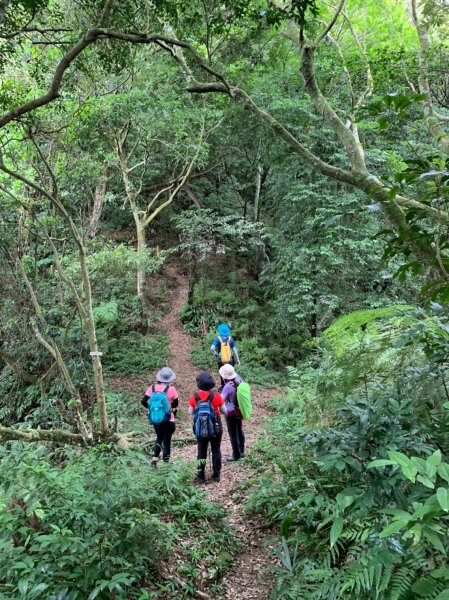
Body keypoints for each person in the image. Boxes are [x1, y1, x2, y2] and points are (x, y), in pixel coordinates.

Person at [188, 371, 226, 484]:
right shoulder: (216, 395)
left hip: (200, 427)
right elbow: (225, 411)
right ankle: (216, 475)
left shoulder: (194, 397)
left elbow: (190, 412)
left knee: (201, 450)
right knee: (216, 450)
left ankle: (200, 476)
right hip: (215, 426)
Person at [141, 367, 179, 465]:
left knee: (159, 437)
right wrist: (172, 412)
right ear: (170, 379)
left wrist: (151, 409)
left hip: (156, 419)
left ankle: (154, 460)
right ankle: (166, 466)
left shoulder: (152, 388)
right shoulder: (172, 389)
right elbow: (175, 405)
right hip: (168, 420)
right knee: (167, 441)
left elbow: (143, 401)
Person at [219, 363, 245, 462]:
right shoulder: (239, 380)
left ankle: (236, 454)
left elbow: (221, 400)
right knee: (239, 429)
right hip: (240, 410)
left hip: (230, 412)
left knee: (233, 433)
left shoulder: (228, 386)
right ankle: (241, 450)